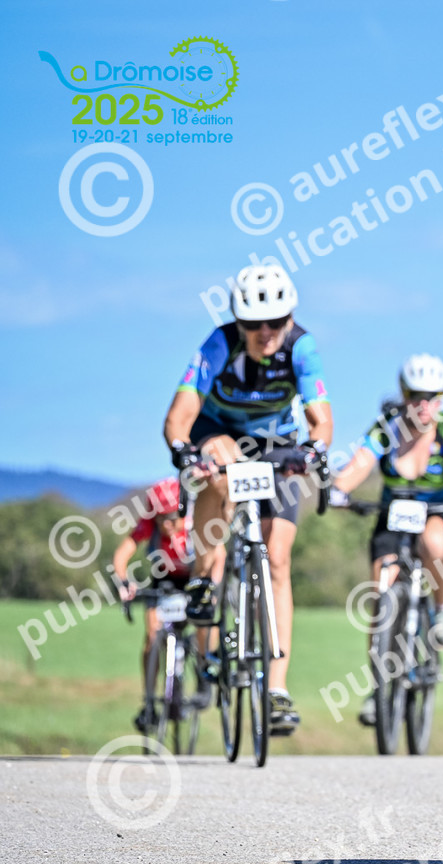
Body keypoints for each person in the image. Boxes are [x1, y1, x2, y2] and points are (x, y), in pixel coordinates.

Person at [162, 264, 333, 736]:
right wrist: (183, 449)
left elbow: (321, 418)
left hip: (277, 443)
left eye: (275, 322)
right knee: (219, 471)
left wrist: (316, 449)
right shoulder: (219, 344)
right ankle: (204, 577)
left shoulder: (301, 346)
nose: (265, 332)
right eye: (254, 323)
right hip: (218, 432)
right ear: (238, 322)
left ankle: (276, 689)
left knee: (277, 560)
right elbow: (180, 414)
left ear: (289, 317)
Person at [329, 355, 443, 726]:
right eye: (416, 396)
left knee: (434, 543)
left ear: (441, 398)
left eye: (432, 397)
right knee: (381, 594)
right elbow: (359, 464)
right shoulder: (386, 427)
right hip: (393, 517)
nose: (423, 405)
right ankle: (378, 687)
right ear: (403, 395)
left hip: (441, 513)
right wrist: (339, 489)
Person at [111, 476, 205, 727]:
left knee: (204, 622)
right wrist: (123, 582)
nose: (166, 524)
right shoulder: (149, 525)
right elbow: (122, 555)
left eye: (172, 517)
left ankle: (204, 670)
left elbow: (217, 554)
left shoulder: (196, 522)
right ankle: (150, 701)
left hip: (193, 577)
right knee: (152, 635)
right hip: (163, 580)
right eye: (160, 518)